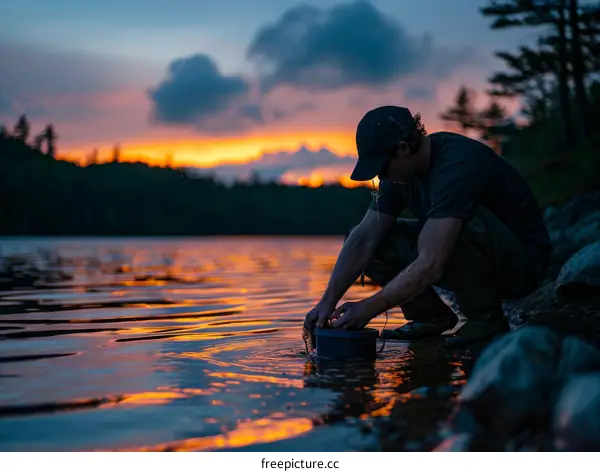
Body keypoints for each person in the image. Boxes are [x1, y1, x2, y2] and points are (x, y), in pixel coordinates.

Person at [303, 105, 552, 349]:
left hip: (521, 265)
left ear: (402, 148)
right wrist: (327, 302)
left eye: (381, 168)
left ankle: (484, 320)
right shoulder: (400, 172)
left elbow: (432, 263)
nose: (381, 177)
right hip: (470, 258)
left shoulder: (456, 165)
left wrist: (369, 308)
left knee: (455, 226)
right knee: (365, 239)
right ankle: (431, 317)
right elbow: (364, 238)